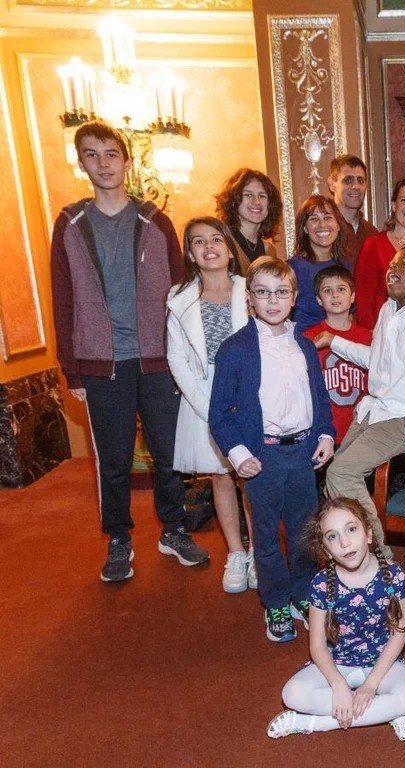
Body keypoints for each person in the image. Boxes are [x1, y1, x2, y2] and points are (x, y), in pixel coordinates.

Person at [50, 120, 209, 583]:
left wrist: (186, 357)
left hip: (157, 359)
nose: (103, 163)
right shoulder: (70, 224)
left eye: (111, 154)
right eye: (92, 155)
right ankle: (119, 539)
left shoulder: (155, 221)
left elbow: (181, 294)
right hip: (101, 363)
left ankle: (173, 529)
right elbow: (62, 298)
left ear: (127, 160)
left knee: (167, 452)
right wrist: (72, 369)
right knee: (114, 459)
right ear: (81, 163)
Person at [209, 257, 335, 643]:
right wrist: (239, 455)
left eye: (281, 292)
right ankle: (276, 601)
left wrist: (325, 435)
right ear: (250, 298)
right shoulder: (235, 349)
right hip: (261, 457)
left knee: (304, 533)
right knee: (265, 536)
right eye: (263, 292)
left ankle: (301, 594)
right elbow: (219, 414)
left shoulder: (305, 346)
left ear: (294, 297)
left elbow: (319, 398)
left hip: (302, 454)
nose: (273, 300)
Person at [320, 245, 405, 560]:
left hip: (403, 418)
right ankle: (350, 553)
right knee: (334, 481)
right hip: (374, 412)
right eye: (393, 262)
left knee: (341, 475)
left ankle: (379, 559)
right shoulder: (387, 310)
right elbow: (377, 359)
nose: (393, 267)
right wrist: (334, 341)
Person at [267, 498, 405, 741]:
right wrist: (338, 685)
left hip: (381, 665)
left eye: (351, 529)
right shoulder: (321, 584)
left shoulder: (395, 577)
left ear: (368, 534)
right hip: (337, 663)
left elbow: (398, 635)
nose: (344, 542)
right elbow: (317, 646)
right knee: (292, 694)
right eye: (332, 536)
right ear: (325, 549)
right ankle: (386, 711)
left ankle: (317, 724)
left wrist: (371, 685)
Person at [166, 217, 253, 593]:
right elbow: (178, 360)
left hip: (249, 391)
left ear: (229, 248)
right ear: (190, 253)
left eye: (216, 239)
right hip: (203, 395)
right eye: (199, 241)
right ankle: (236, 553)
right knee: (221, 475)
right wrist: (210, 408)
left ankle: (260, 553)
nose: (209, 247)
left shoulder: (250, 289)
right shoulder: (180, 299)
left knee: (251, 476)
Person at [303, 266, 372, 447]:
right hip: (324, 432)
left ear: (352, 296)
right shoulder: (308, 338)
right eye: (327, 291)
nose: (335, 295)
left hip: (360, 428)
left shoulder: (368, 337)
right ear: (319, 299)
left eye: (341, 289)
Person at [355, 177, 405, 329]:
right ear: (394, 206)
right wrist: (370, 334)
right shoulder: (374, 244)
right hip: (383, 330)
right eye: (404, 200)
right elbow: (363, 298)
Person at [288, 195, 349, 332]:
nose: (322, 225)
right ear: (305, 228)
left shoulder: (345, 266)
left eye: (328, 217)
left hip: (339, 341)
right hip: (304, 341)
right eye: (314, 219)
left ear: (338, 225)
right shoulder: (293, 269)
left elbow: (349, 316)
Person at [214, 168, 283, 274]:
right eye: (248, 195)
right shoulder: (221, 242)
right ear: (234, 200)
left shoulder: (269, 251)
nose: (257, 201)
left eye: (262, 196)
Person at [326, 154, 377, 269]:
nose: (355, 186)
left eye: (360, 180)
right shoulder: (323, 230)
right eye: (348, 180)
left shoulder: (371, 232)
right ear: (332, 184)